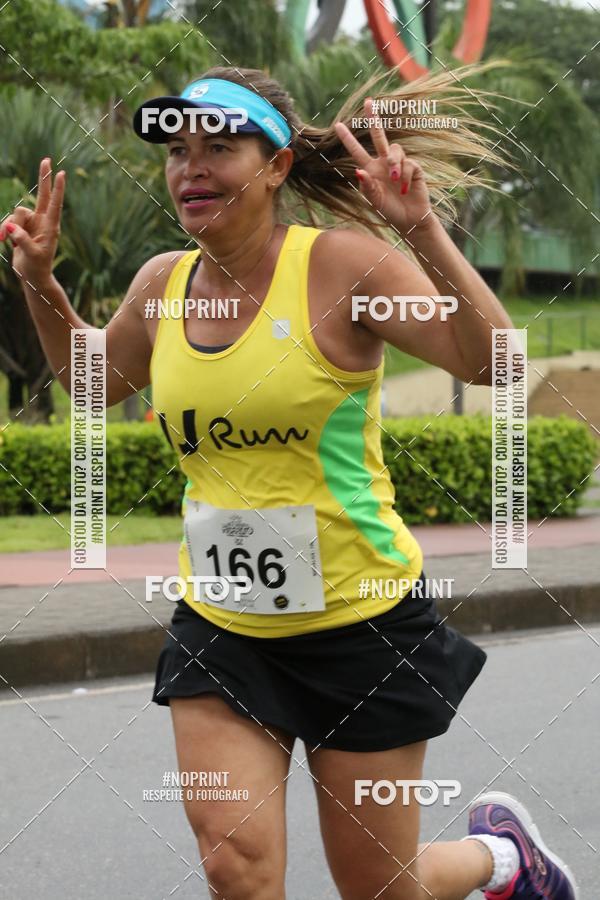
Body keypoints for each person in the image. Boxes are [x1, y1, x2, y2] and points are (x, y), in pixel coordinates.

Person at [1, 65, 578, 900]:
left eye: (219, 148)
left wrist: (421, 229)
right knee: (234, 867)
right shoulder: (162, 285)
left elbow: (493, 363)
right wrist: (39, 281)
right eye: (177, 151)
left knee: (381, 886)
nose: (191, 167)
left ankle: (505, 860)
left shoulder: (343, 268)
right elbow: (93, 383)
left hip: (362, 625)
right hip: (223, 628)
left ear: (275, 166)